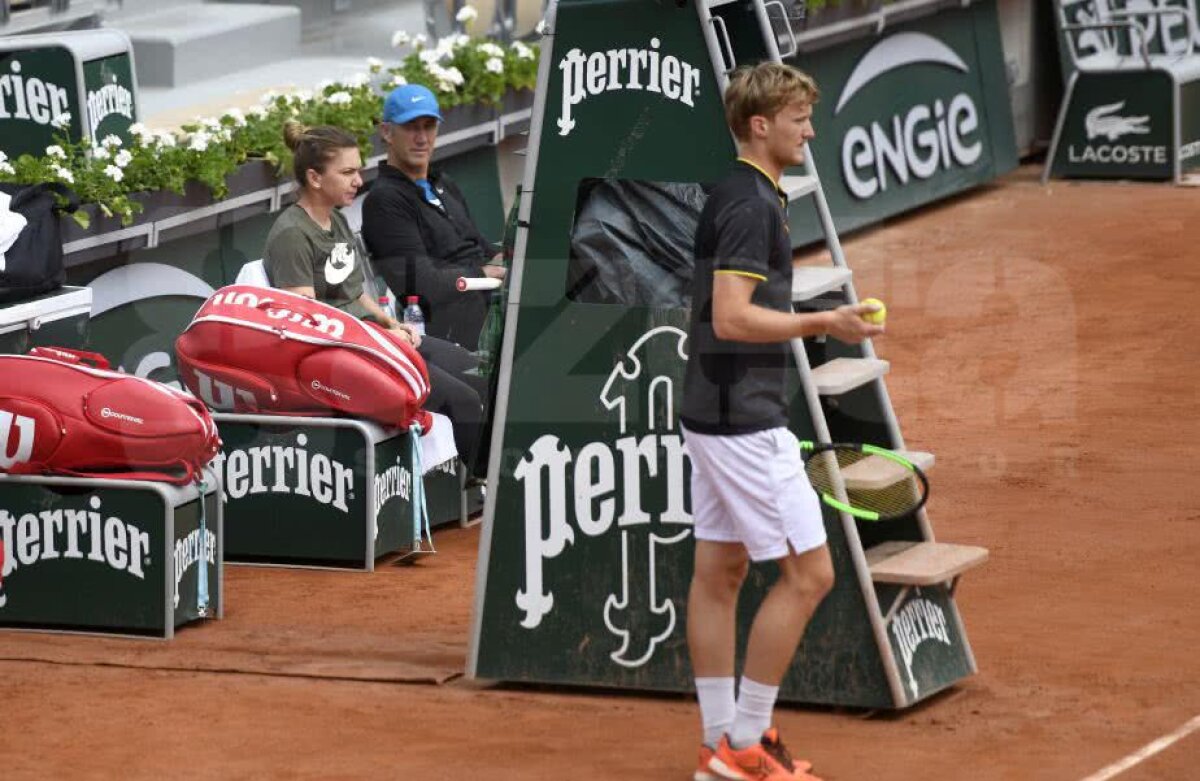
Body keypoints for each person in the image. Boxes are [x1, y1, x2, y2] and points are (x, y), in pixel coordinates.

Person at [681, 63, 884, 781]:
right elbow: (732, 316)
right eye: (799, 118)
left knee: (720, 571)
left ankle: (718, 746)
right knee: (809, 573)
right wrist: (826, 319)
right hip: (740, 416)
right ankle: (743, 741)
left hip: (712, 409)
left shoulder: (747, 193)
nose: (810, 129)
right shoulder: (751, 205)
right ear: (760, 124)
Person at [263, 121, 486, 472]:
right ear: (315, 178)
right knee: (464, 401)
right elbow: (309, 323)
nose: (358, 181)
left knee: (479, 374)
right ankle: (484, 487)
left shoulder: (334, 219)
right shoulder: (291, 234)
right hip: (345, 357)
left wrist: (391, 323)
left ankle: (479, 483)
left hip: (373, 338)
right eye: (348, 172)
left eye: (359, 171)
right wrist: (382, 338)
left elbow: (352, 294)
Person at [361, 83, 507, 349]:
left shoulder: (443, 182)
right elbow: (421, 284)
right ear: (387, 132)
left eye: (429, 126)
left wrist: (504, 258)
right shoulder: (383, 201)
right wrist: (483, 273)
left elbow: (477, 244)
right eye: (411, 127)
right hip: (452, 329)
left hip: (489, 305)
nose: (422, 138)